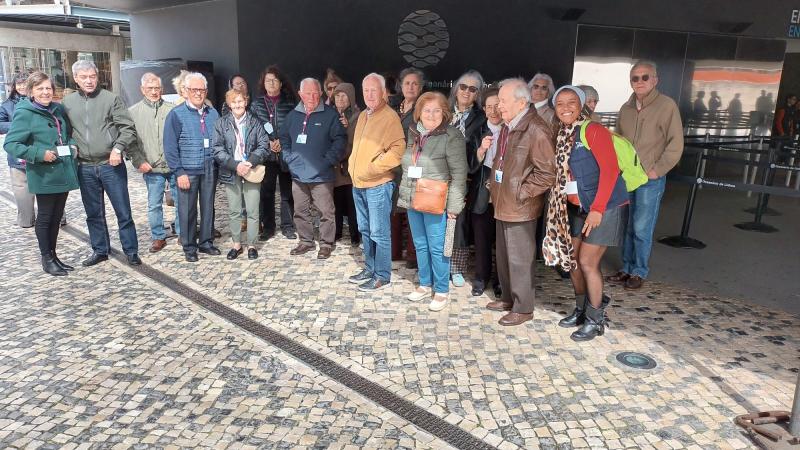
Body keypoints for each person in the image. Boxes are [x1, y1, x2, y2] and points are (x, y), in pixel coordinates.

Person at [543, 85, 629, 341]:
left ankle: (596, 319)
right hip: (577, 207)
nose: (566, 108)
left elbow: (611, 171)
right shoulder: (562, 133)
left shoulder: (592, 130)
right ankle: (581, 309)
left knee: (588, 263)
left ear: (582, 106)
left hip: (605, 206)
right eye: (560, 103)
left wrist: (598, 209)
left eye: (572, 102)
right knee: (572, 260)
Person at [606, 60, 684, 290]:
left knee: (642, 227)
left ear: (655, 80)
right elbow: (618, 141)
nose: (639, 82)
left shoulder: (667, 106)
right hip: (628, 178)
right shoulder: (625, 108)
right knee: (628, 224)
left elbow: (676, 144)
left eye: (644, 77)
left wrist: (656, 171)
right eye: (634, 78)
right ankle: (626, 268)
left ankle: (639, 270)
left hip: (650, 179)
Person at [485, 78, 556, 326]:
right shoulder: (509, 125)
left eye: (504, 101)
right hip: (503, 201)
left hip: (520, 205)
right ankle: (508, 299)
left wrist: (521, 192)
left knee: (520, 259)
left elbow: (547, 173)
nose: (499, 106)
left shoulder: (536, 129)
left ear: (522, 102)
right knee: (504, 257)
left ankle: (523, 307)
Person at [62, 60, 141, 267]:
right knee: (93, 213)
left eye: (92, 76)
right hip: (85, 167)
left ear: (98, 77)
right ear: (76, 79)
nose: (89, 81)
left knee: (123, 211)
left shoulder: (111, 99)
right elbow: (65, 133)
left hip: (110, 164)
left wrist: (118, 148)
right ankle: (100, 250)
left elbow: (128, 128)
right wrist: (71, 146)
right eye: (84, 77)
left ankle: (131, 251)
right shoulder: (67, 103)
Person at [4, 72, 79, 275]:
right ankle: (46, 258)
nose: (45, 92)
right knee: (46, 217)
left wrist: (72, 147)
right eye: (40, 89)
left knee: (56, 217)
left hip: (63, 170)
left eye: (48, 88)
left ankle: (54, 256)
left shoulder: (58, 109)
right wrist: (39, 154)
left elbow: (66, 135)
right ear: (31, 92)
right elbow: (11, 144)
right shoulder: (25, 112)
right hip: (44, 173)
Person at [398, 92, 468, 311]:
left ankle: (441, 290)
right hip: (413, 197)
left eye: (437, 110)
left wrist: (454, 207)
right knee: (420, 244)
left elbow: (459, 173)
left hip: (436, 200)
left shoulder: (451, 135)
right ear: (419, 112)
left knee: (438, 248)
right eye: (427, 110)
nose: (431, 114)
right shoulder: (414, 133)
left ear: (444, 113)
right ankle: (425, 284)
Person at [347, 73, 406, 292]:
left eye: (374, 90)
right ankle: (370, 268)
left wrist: (373, 167)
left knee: (379, 232)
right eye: (366, 91)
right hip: (359, 184)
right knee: (365, 229)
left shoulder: (389, 117)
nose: (369, 95)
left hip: (378, 185)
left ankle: (382, 275)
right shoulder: (364, 115)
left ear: (383, 92)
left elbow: (398, 150)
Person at [279, 78, 347, 259]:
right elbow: (284, 137)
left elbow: (340, 139)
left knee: (326, 211)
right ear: (300, 94)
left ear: (321, 93)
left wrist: (328, 160)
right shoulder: (293, 116)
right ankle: (306, 241)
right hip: (298, 175)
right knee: (300, 211)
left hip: (322, 175)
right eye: (308, 93)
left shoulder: (330, 115)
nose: (312, 96)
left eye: (316, 92)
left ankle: (326, 244)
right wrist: (288, 157)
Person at [163, 72, 222, 262]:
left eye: (201, 89)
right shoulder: (176, 114)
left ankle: (206, 242)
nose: (198, 93)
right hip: (187, 170)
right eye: (194, 89)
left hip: (209, 168)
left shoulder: (213, 113)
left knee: (208, 207)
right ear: (186, 91)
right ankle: (189, 246)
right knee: (187, 210)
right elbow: (170, 146)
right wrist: (178, 172)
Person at [213, 88, 269, 260]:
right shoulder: (221, 123)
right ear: (229, 105)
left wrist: (250, 162)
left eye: (240, 101)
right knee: (234, 210)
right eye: (233, 102)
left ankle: (252, 244)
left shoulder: (255, 122)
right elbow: (217, 149)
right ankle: (236, 244)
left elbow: (264, 145)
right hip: (232, 170)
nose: (237, 104)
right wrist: (235, 165)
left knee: (253, 210)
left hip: (251, 169)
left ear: (245, 101)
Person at [129, 72, 177, 254]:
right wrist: (138, 161)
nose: (154, 91)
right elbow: (129, 142)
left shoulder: (172, 109)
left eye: (157, 88)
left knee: (180, 201)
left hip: (173, 165)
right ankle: (158, 236)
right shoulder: (133, 112)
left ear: (162, 89)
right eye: (150, 88)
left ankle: (181, 232)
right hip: (150, 167)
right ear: (142, 89)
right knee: (154, 204)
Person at [448, 69, 487, 287]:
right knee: (441, 223)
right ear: (456, 88)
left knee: (458, 224)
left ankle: (456, 268)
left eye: (472, 89)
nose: (466, 91)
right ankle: (441, 265)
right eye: (463, 86)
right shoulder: (443, 111)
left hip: (464, 178)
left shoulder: (481, 118)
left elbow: (477, 150)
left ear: (477, 94)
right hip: (439, 176)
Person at [251, 65, 297, 241]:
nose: (271, 83)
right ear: (263, 82)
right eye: (267, 80)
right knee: (266, 192)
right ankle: (268, 227)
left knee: (287, 192)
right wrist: (268, 143)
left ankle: (288, 226)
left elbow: (294, 127)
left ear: (281, 83)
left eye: (274, 80)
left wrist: (282, 142)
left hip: (285, 154)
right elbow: (254, 129)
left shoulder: (290, 103)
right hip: (266, 155)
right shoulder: (257, 105)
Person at [391, 67, 425, 269]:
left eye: (414, 84)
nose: (410, 87)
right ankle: (394, 252)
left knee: (412, 210)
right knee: (394, 211)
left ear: (420, 88)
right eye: (407, 83)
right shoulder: (393, 108)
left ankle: (413, 256)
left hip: (414, 166)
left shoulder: (423, 110)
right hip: (393, 168)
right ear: (401, 86)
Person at [470, 88, 502, 297]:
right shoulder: (477, 131)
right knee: (481, 239)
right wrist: (480, 150)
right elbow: (470, 166)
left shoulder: (511, 130)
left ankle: (500, 281)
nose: (493, 110)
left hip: (503, 193)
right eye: (489, 106)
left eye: (497, 105)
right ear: (483, 109)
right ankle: (481, 278)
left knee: (502, 241)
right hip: (482, 192)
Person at [1, 73, 36, 229]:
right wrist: (19, 125)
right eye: (19, 84)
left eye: (25, 83)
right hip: (17, 153)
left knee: (48, 185)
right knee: (21, 189)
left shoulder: (39, 101)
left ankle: (57, 218)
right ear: (14, 86)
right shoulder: (6, 106)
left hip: (39, 150)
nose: (22, 87)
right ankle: (26, 220)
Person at [332, 82, 362, 245]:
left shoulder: (359, 117)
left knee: (352, 205)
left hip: (350, 168)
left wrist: (347, 127)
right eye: (337, 96)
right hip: (335, 168)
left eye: (344, 95)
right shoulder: (330, 115)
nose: (340, 99)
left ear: (351, 97)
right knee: (335, 202)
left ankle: (354, 236)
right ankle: (336, 233)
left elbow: (357, 142)